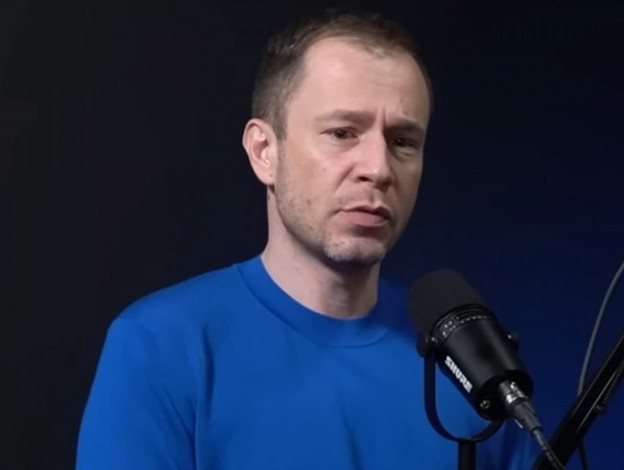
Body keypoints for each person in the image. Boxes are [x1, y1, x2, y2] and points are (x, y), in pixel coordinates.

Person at [76, 8, 538, 469]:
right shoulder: (162, 346)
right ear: (264, 151)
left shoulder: (469, 364)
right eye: (342, 133)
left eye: (402, 141)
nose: (378, 169)